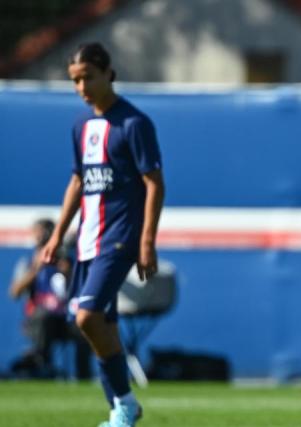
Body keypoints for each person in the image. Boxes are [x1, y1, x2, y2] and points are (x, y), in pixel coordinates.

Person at [40, 42, 165, 427]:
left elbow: (154, 183)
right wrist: (57, 233)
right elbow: (78, 181)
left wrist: (147, 241)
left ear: (108, 73)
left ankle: (124, 403)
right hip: (86, 242)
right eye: (75, 80)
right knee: (100, 327)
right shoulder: (81, 127)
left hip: (120, 238)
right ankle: (120, 411)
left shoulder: (134, 124)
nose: (81, 86)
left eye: (87, 77)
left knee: (85, 316)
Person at [8, 219, 91, 379]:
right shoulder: (28, 262)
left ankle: (84, 375)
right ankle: (42, 368)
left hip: (66, 317)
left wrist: (68, 272)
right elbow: (15, 292)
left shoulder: (68, 260)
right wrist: (36, 268)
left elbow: (81, 289)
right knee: (43, 317)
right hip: (40, 318)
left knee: (85, 324)